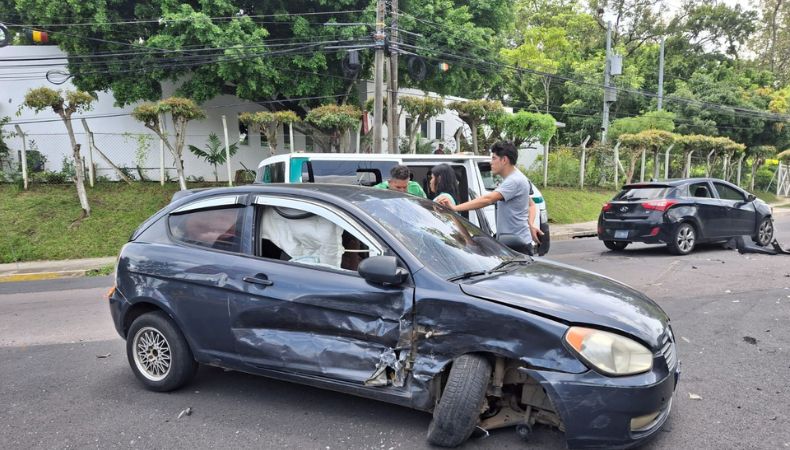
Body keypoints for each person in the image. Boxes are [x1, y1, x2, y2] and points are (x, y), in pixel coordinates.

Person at [436, 141, 542, 250]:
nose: (491, 162)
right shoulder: (516, 178)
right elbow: (530, 204)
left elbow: (488, 199)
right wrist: (531, 224)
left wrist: (454, 208)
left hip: (516, 245)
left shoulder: (514, 181)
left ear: (504, 160)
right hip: (514, 242)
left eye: (494, 158)